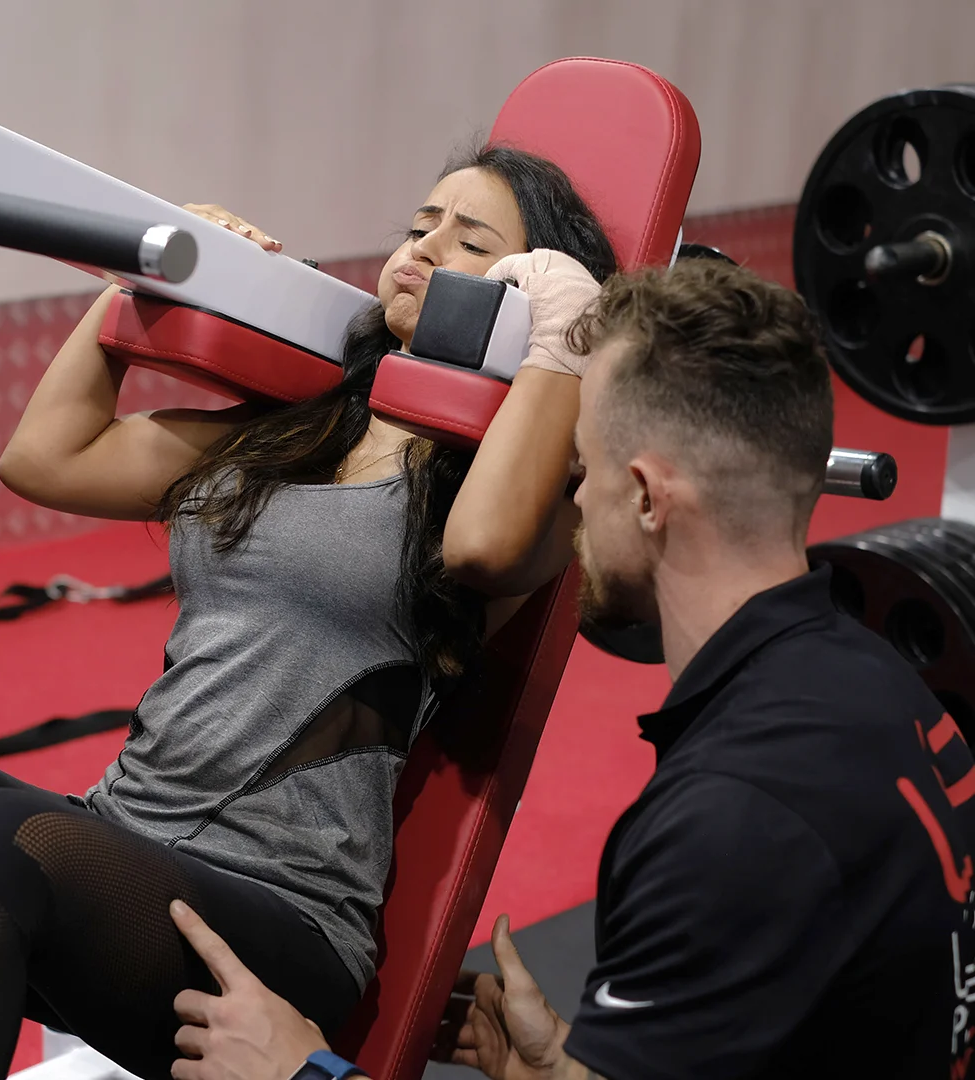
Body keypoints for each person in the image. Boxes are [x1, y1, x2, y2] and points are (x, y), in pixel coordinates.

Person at [0, 145, 615, 1080]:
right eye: (419, 225)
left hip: (277, 917)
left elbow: (485, 551)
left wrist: (562, 335)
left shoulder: (505, 494)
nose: (425, 247)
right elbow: (49, 457)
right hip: (122, 840)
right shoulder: (292, 426)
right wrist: (148, 272)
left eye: (471, 242)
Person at [165, 259, 975, 1080]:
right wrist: (553, 1071)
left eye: (580, 473)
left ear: (649, 500)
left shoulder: (734, 814)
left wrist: (302, 1073)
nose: (574, 504)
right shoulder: (884, 690)